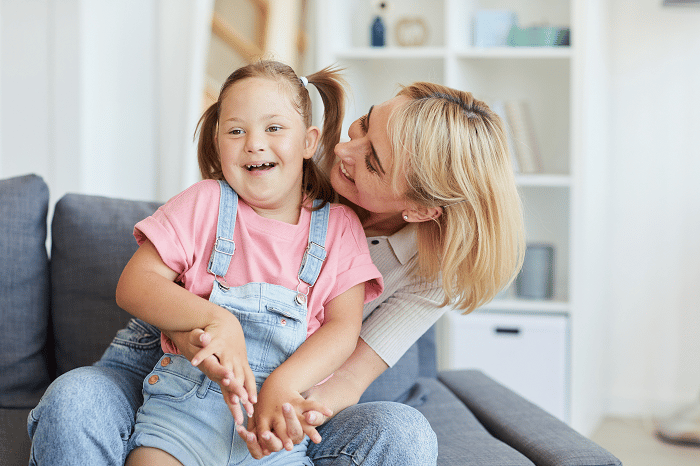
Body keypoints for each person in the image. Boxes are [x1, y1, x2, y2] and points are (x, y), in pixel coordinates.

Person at [27, 77, 525, 465]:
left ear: (419, 209)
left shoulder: (422, 268)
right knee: (74, 401)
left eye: (371, 161)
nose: (344, 151)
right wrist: (207, 324)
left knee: (405, 432)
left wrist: (284, 408)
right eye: (363, 124)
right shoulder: (281, 160)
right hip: (174, 355)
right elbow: (162, 272)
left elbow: (346, 366)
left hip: (296, 379)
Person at [114, 60, 384, 466]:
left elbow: (344, 327)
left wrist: (284, 382)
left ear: (309, 142)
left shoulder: (340, 227)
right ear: (218, 142)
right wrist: (220, 321)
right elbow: (135, 285)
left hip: (273, 429)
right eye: (236, 131)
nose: (254, 143)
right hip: (181, 417)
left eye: (273, 128)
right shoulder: (203, 202)